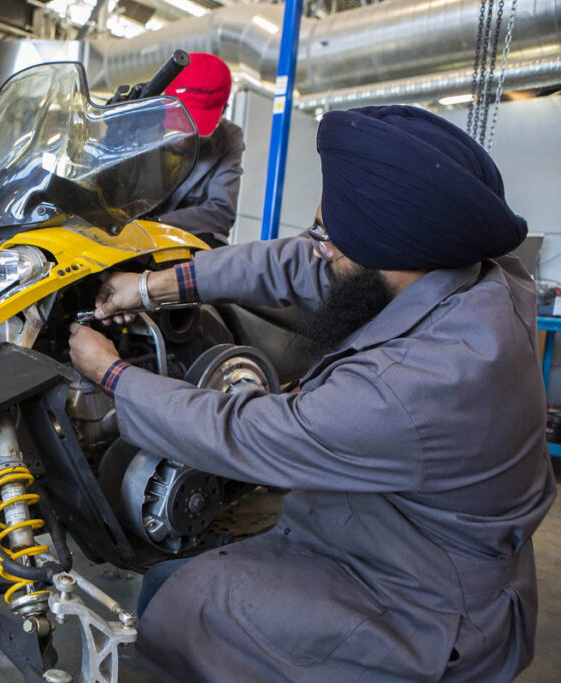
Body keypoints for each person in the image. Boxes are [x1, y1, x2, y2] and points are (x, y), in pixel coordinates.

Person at [68, 105, 556, 680]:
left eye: (329, 235)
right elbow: (296, 263)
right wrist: (153, 286)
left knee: (181, 596)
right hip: (395, 535)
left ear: (386, 246)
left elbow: (241, 433)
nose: (317, 245)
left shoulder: (423, 381)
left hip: (423, 600)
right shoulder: (463, 271)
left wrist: (113, 375)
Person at [149, 52, 244, 248]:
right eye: (177, 124)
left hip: (182, 238)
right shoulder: (136, 123)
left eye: (196, 130)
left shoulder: (229, 138)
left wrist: (155, 225)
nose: (184, 140)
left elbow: (221, 213)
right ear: (166, 101)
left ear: (223, 111)